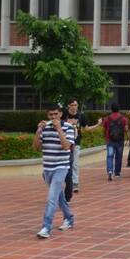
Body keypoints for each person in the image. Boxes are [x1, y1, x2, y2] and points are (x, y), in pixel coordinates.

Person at [34, 104, 76, 239]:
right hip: (47, 168)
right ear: (47, 115)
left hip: (61, 167)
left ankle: (46, 227)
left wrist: (59, 129)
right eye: (50, 114)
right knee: (58, 197)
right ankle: (69, 218)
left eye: (56, 114)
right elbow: (36, 147)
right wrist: (38, 131)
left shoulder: (68, 127)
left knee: (51, 198)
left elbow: (66, 147)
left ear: (61, 114)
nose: (53, 117)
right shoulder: (44, 128)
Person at [63, 98, 98, 194]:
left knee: (74, 164)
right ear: (69, 106)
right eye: (73, 105)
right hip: (65, 143)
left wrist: (98, 124)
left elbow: (86, 128)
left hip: (76, 143)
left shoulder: (81, 116)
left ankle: (75, 183)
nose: (75, 107)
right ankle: (65, 181)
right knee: (65, 163)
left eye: (76, 105)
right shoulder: (64, 115)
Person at [102, 103, 129, 181]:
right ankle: (117, 173)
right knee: (118, 157)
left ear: (111, 109)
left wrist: (106, 137)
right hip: (120, 140)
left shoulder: (107, 118)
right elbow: (126, 129)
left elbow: (104, 129)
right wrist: (129, 138)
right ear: (119, 109)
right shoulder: (123, 119)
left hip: (110, 140)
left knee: (110, 156)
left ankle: (110, 171)